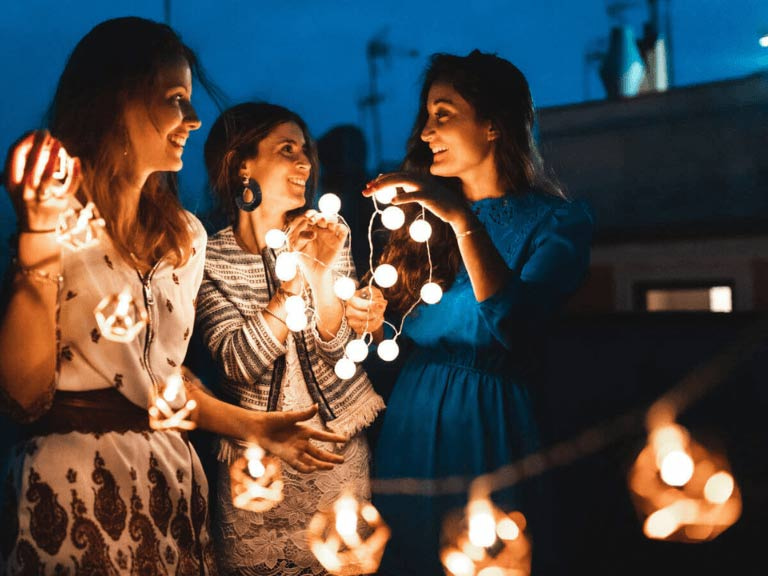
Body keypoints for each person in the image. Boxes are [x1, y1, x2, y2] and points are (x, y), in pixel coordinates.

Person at [0, 17, 345, 574]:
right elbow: (22, 396)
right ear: (117, 100)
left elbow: (162, 380)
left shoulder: (185, 236)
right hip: (71, 483)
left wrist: (253, 426)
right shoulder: (54, 215)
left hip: (168, 485)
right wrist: (37, 244)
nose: (193, 118)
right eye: (175, 99)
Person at [363, 50, 593, 575]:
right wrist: (369, 315)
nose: (425, 132)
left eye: (443, 114)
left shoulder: (557, 224)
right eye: (425, 116)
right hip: (413, 418)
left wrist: (460, 217)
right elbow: (395, 333)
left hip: (493, 421)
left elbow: (514, 324)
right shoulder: (420, 224)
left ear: (493, 126)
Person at [197, 101, 385, 575]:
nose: (305, 163)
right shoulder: (208, 258)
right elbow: (238, 363)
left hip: (334, 454)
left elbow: (337, 350)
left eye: (306, 151)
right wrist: (293, 283)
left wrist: (327, 277)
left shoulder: (329, 233)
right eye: (287, 149)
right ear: (242, 165)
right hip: (257, 465)